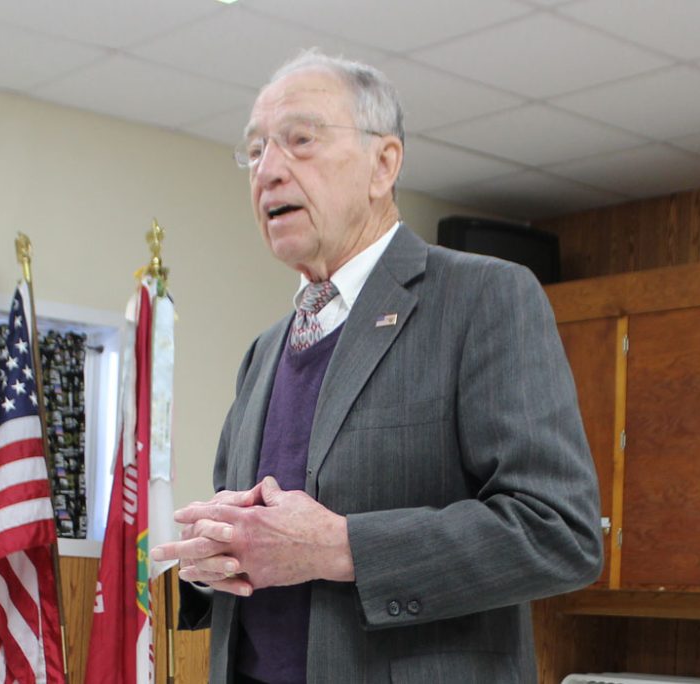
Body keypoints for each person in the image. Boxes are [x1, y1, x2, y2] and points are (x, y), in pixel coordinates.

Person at [150, 48, 603, 684]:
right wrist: (215, 561)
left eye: (299, 140)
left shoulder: (483, 299)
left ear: (383, 164)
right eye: (254, 151)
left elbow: (560, 534)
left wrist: (338, 548)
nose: (269, 171)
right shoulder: (264, 352)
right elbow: (267, 558)